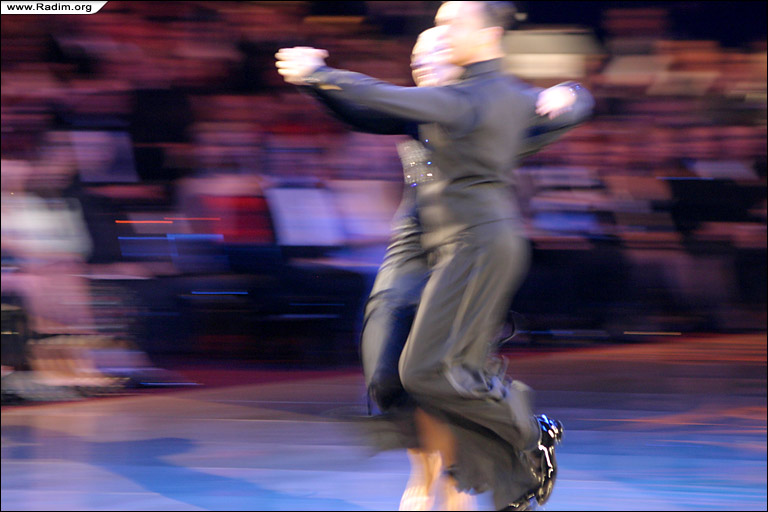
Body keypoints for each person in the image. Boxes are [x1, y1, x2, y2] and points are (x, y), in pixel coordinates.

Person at [276, 2, 593, 509]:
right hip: (415, 243)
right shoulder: (420, 112)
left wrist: (569, 94)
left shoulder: (477, 103)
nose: (425, 65)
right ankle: (436, 467)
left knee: (435, 368)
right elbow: (363, 108)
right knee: (388, 369)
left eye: (438, 53)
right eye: (418, 61)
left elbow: (563, 108)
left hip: (468, 244)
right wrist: (316, 84)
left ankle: (453, 475)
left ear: (463, 57)